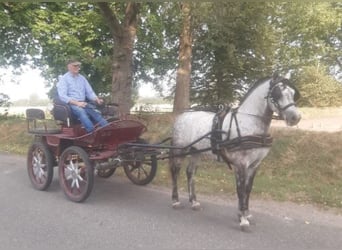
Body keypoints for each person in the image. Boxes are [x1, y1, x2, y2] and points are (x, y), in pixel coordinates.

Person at [57, 58, 108, 133]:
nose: (78, 67)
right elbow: (62, 96)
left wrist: (97, 99)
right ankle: (92, 133)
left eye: (78, 66)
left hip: (83, 103)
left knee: (95, 113)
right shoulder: (64, 79)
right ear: (69, 67)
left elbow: (89, 92)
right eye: (75, 66)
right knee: (81, 112)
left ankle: (108, 129)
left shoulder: (82, 78)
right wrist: (77, 103)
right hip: (72, 104)